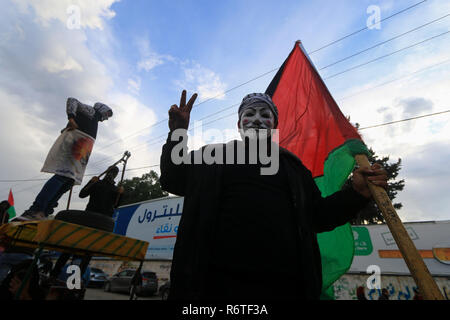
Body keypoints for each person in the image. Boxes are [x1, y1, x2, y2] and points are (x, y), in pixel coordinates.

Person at [160, 90, 388, 300]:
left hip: (284, 289)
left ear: (274, 125)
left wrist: (356, 193)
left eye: (265, 114)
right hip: (212, 289)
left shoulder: (294, 168)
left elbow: (319, 216)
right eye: (249, 114)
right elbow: (173, 178)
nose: (257, 119)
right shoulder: (212, 157)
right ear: (239, 125)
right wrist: (178, 131)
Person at [17, 98, 113, 221]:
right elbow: (72, 101)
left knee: (68, 182)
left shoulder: (94, 120)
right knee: (62, 177)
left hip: (82, 151)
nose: (106, 117)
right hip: (75, 147)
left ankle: (45, 211)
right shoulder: (91, 111)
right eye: (107, 114)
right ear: (102, 108)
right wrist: (71, 118)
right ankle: (36, 209)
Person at [49, 166, 123, 280]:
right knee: (85, 251)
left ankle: (57, 276)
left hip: (92, 220)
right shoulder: (106, 186)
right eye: (112, 172)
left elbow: (83, 195)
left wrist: (119, 194)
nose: (111, 174)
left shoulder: (109, 188)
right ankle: (64, 278)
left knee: (74, 248)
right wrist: (92, 182)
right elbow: (83, 195)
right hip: (97, 222)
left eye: (113, 172)